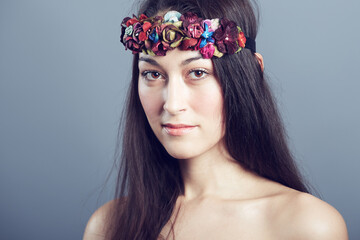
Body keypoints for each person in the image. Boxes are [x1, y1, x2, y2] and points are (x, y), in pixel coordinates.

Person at [83, 0, 348, 239]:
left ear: (251, 74)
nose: (173, 104)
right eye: (153, 75)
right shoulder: (109, 226)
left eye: (197, 72)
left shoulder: (307, 225)